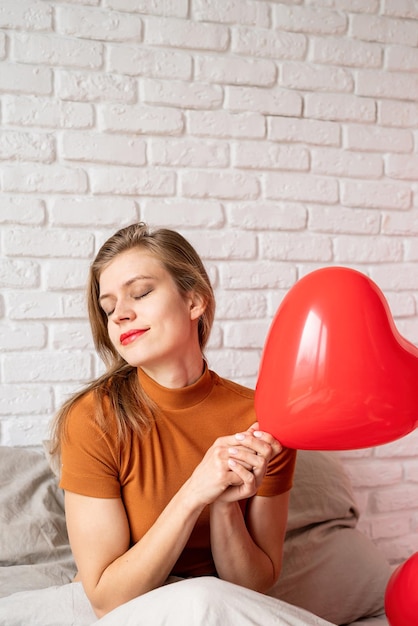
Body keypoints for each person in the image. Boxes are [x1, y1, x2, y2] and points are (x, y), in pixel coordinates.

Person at [50, 222, 297, 619]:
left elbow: (253, 587)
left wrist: (224, 506)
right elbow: (106, 598)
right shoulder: (92, 419)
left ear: (194, 301)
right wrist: (196, 490)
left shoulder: (261, 420)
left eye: (141, 293)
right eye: (109, 308)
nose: (121, 316)